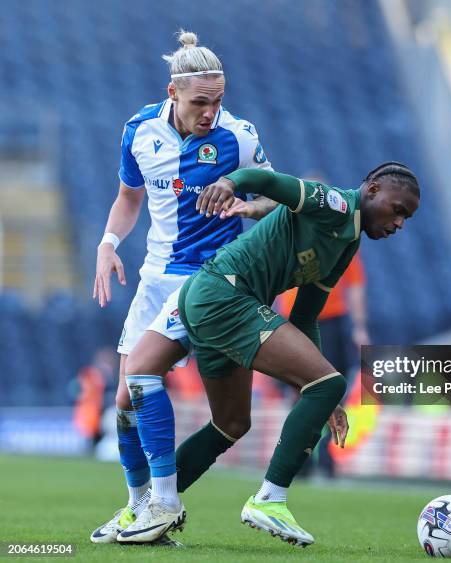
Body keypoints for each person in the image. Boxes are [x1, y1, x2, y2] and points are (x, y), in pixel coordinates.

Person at [120, 163, 420, 545]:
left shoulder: (348, 242)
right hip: (225, 294)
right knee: (330, 383)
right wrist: (230, 183)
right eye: (398, 210)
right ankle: (270, 498)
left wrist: (317, 381)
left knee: (231, 423)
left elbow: (306, 317)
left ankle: (149, 508)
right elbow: (266, 182)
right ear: (373, 190)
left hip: (219, 300)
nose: (399, 223)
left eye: (406, 217)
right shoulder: (336, 205)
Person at [90, 30, 276, 544]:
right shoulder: (139, 131)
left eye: (218, 101)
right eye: (200, 102)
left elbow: (275, 196)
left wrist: (249, 204)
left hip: (207, 283)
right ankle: (138, 508)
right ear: (172, 94)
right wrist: (108, 243)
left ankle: (165, 502)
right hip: (154, 278)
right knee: (124, 400)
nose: (211, 112)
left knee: (145, 378)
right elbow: (129, 198)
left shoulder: (238, 137)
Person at [277, 252, 369, 478]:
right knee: (299, 392)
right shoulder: (291, 237)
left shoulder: (343, 242)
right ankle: (299, 460)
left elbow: (356, 284)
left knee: (332, 390)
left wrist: (359, 327)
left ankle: (327, 458)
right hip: (294, 321)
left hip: (329, 322)